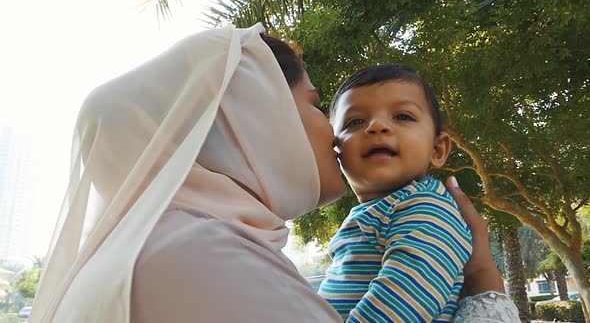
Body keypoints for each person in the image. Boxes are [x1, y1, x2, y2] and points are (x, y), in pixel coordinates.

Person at [29, 24, 518, 323]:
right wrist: (482, 276)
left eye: (403, 117)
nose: (338, 134)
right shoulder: (202, 254)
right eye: (318, 107)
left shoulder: (172, 241)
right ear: (256, 113)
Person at [318, 65, 471, 322]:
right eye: (355, 121)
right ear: (336, 152)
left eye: (402, 116)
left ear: (437, 149)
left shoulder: (427, 207)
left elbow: (403, 305)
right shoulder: (380, 211)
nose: (377, 126)